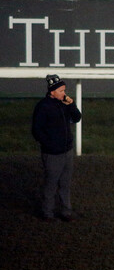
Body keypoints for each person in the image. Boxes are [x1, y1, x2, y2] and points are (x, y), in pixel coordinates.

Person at [31, 74, 82, 222]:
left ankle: (66, 211)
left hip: (67, 151)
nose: (64, 93)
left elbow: (77, 117)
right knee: (51, 183)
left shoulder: (64, 103)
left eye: (64, 90)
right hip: (53, 153)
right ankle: (47, 212)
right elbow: (37, 130)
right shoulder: (43, 107)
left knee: (65, 183)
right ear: (52, 92)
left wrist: (71, 104)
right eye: (61, 91)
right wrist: (50, 144)